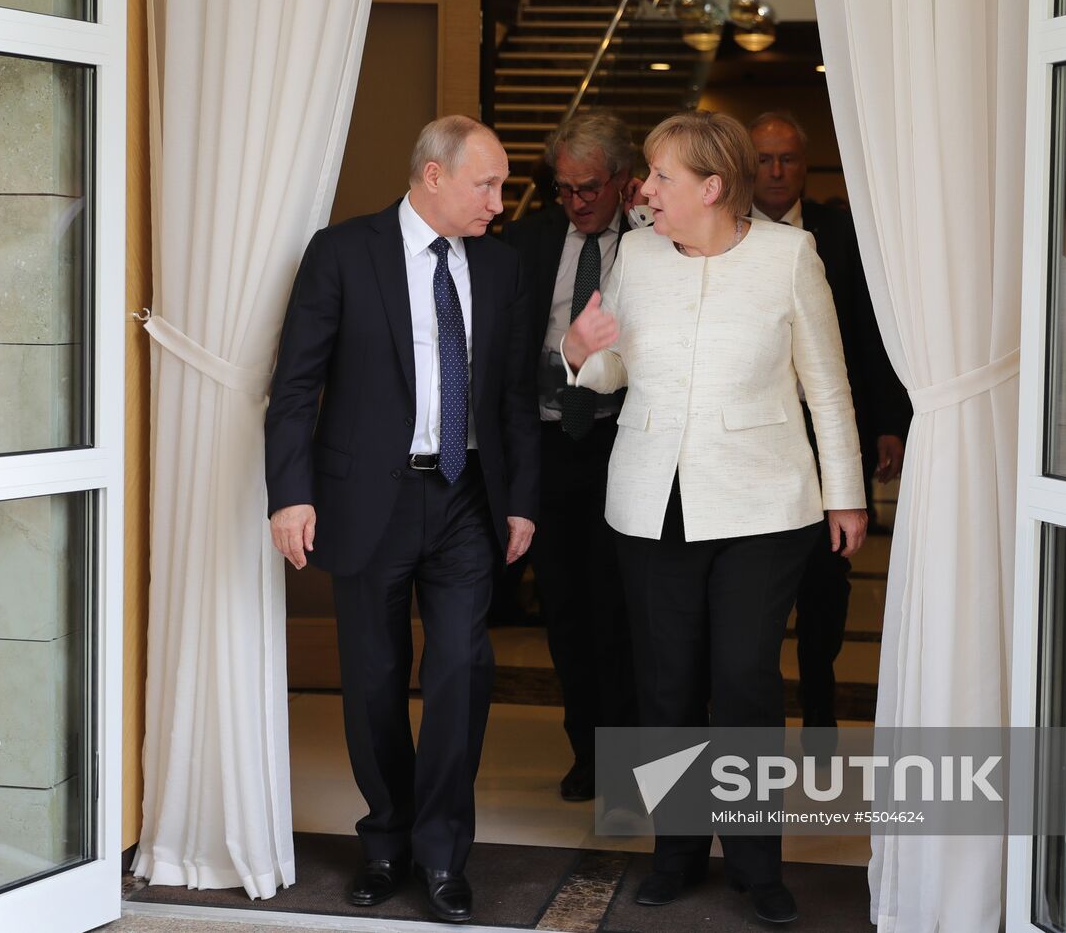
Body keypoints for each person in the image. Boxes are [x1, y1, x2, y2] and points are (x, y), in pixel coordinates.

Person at [563, 110, 867, 926]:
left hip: (764, 505)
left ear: (712, 185)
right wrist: (575, 349)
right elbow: (606, 370)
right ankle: (676, 852)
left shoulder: (789, 255)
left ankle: (756, 865)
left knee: (743, 683)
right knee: (666, 687)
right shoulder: (634, 253)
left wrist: (846, 493)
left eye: (660, 177)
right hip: (650, 499)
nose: (645, 190)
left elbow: (828, 388)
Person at [264, 115, 541, 925]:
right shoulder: (342, 253)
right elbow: (295, 385)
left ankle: (444, 852)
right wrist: (291, 492)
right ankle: (385, 840)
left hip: (464, 500)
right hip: (365, 501)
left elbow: (515, 398)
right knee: (376, 680)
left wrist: (520, 497)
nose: (499, 199)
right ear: (432, 175)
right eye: (486, 183)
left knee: (461, 669)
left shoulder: (502, 267)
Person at [748, 111, 911, 734]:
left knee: (825, 578)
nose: (777, 170)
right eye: (764, 159)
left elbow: (872, 337)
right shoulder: (722, 231)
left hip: (829, 440)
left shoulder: (840, 233)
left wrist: (888, 424)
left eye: (788, 158)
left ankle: (819, 698)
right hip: (755, 441)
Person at [500, 112, 639, 803]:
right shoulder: (526, 243)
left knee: (625, 611)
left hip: (624, 444)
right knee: (565, 608)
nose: (578, 203)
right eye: (564, 189)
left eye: (590, 187)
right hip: (550, 446)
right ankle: (587, 751)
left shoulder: (652, 244)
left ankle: (631, 756)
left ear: (621, 179)